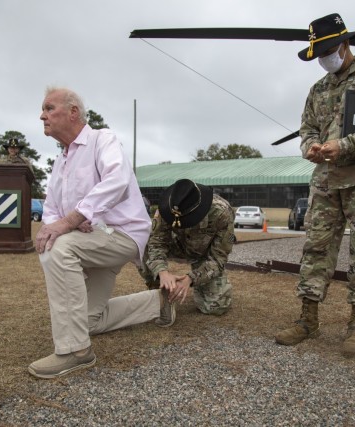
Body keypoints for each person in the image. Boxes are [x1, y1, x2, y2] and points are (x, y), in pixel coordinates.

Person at [274, 13, 355, 356]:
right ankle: (308, 320)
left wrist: (343, 146)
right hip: (327, 180)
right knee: (315, 248)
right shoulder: (318, 88)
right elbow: (307, 129)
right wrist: (311, 149)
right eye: (317, 53)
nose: (323, 59)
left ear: (344, 44)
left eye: (327, 50)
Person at [28, 86, 175, 379]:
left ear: (73, 112)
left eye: (48, 108)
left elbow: (117, 180)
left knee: (58, 248)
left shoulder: (101, 139)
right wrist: (66, 221)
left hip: (122, 235)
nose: (41, 115)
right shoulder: (60, 161)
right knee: (87, 320)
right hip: (93, 241)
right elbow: (52, 210)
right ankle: (158, 302)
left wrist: (74, 219)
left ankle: (75, 351)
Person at [138, 179, 235, 316]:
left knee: (216, 307)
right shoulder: (168, 206)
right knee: (142, 242)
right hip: (176, 245)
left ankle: (203, 288)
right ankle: (160, 289)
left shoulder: (221, 212)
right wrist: (162, 272)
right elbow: (156, 243)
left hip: (204, 255)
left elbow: (218, 258)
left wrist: (190, 279)